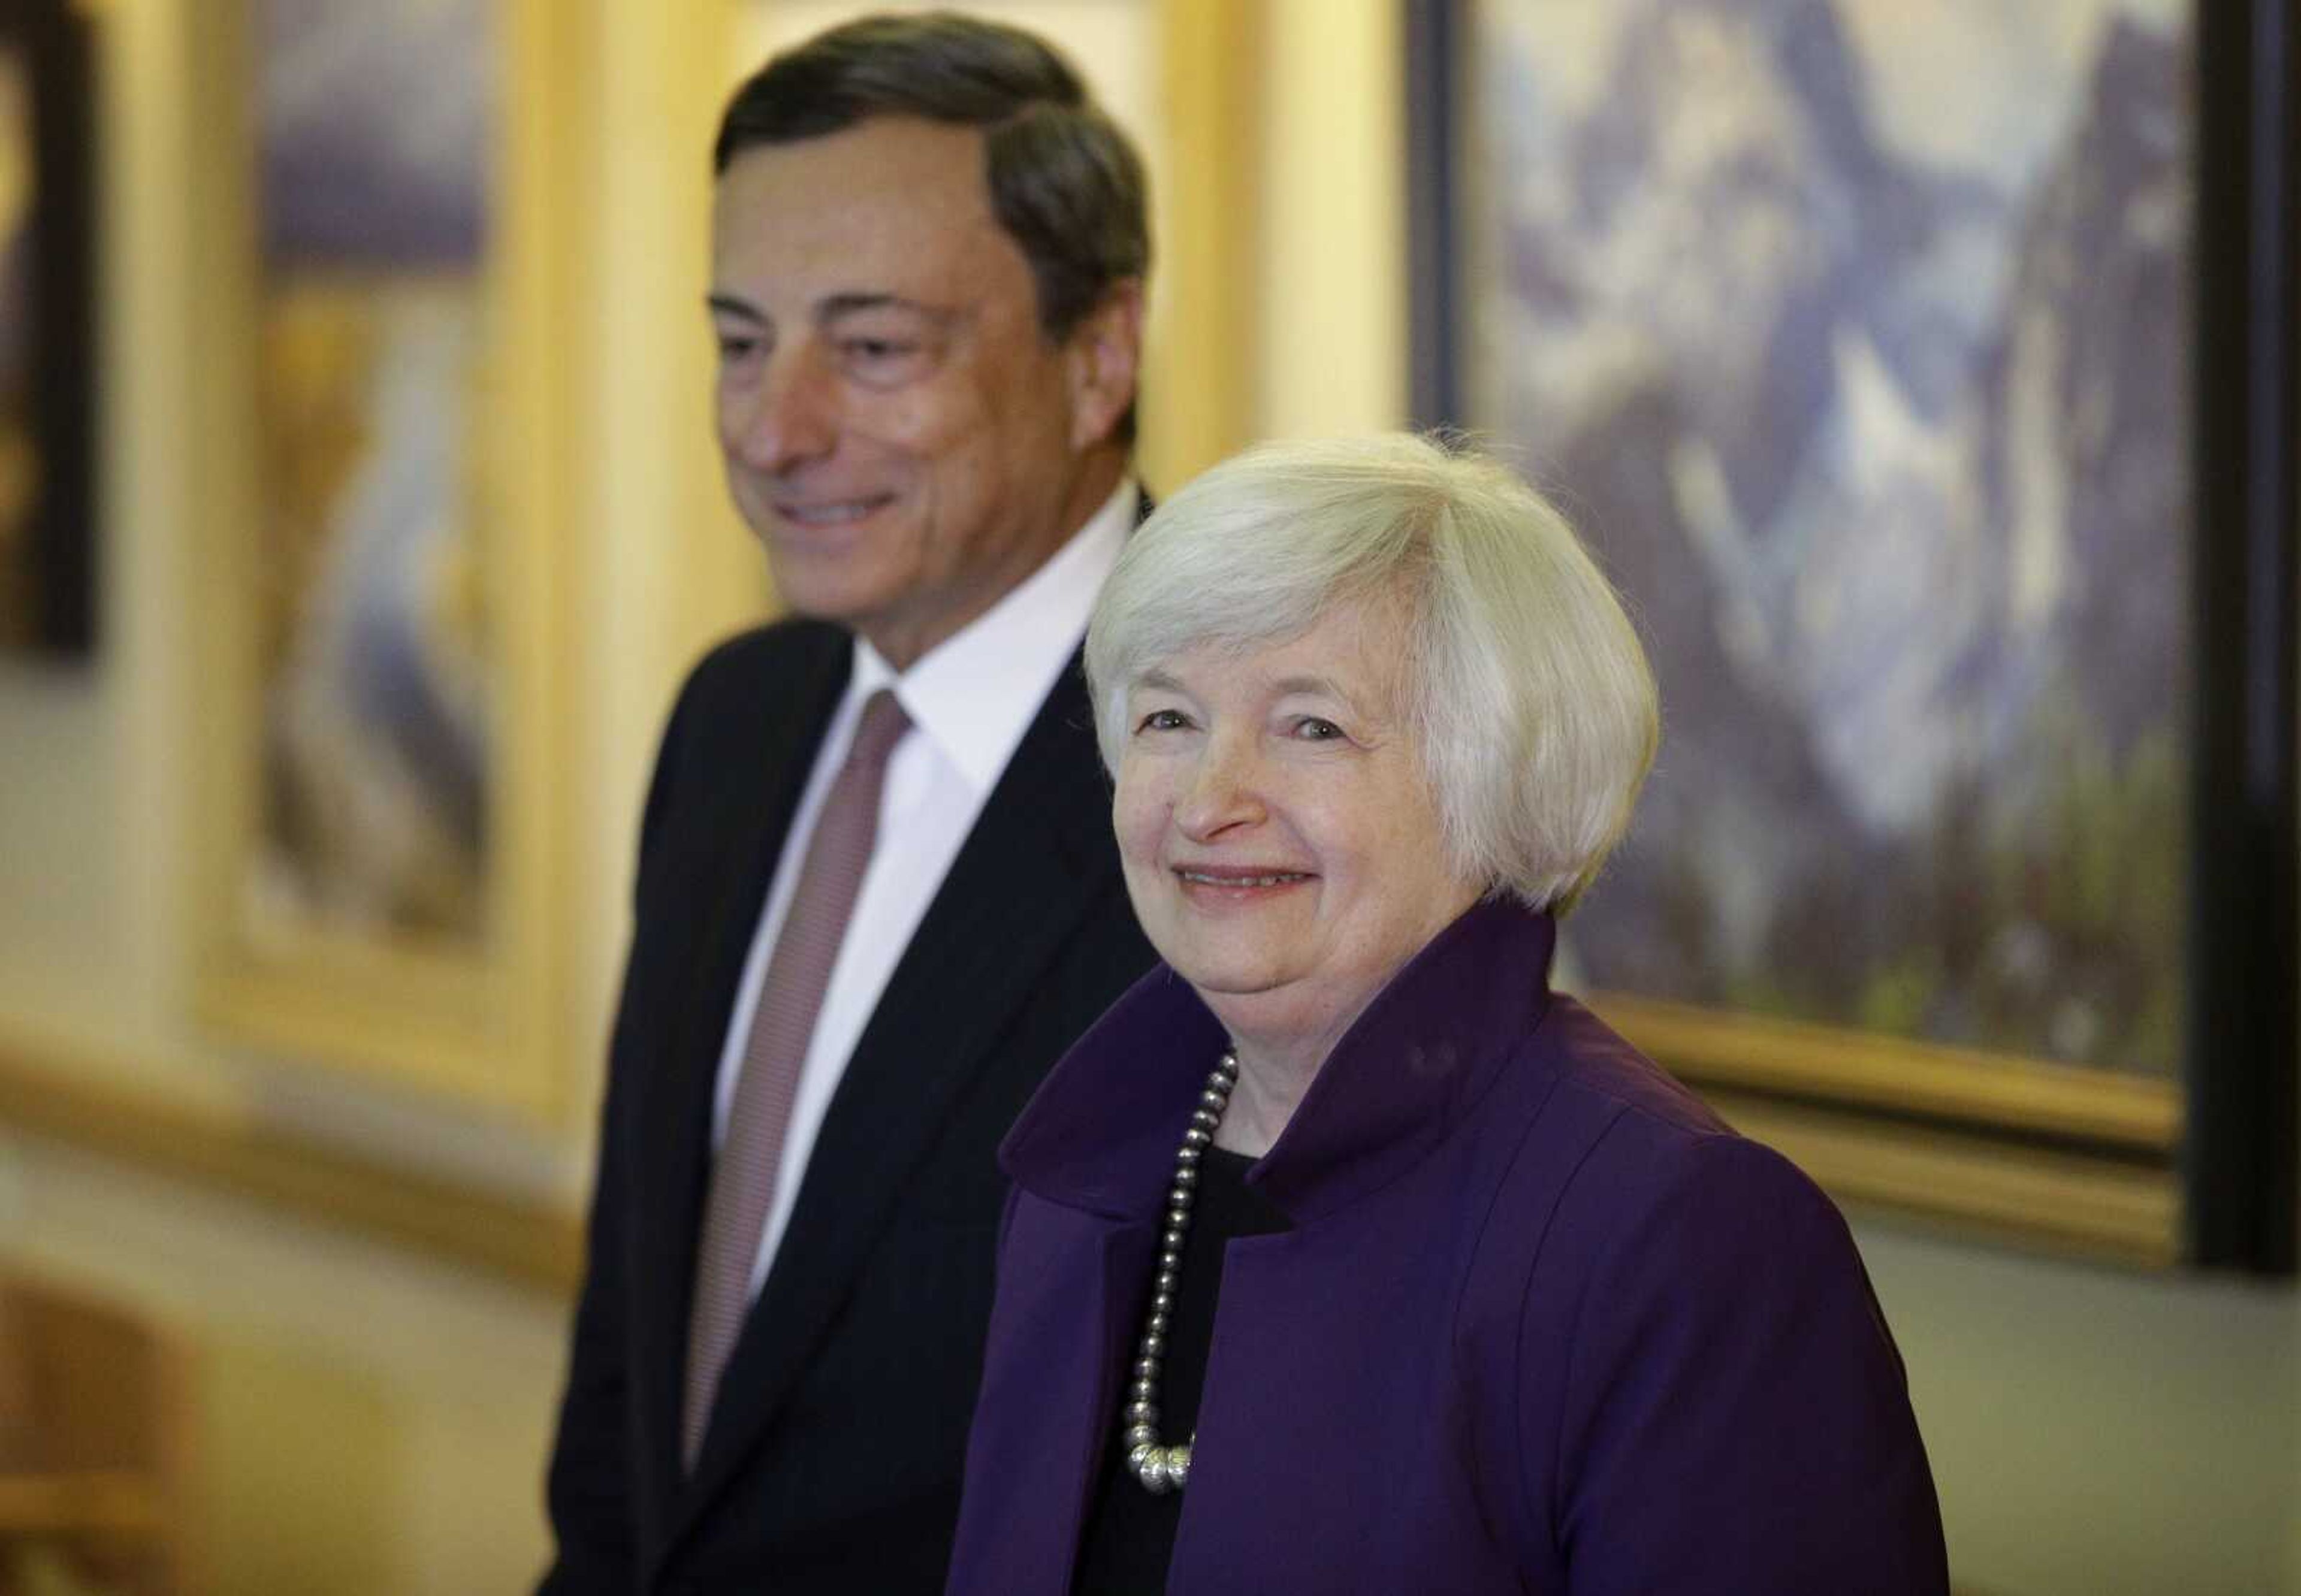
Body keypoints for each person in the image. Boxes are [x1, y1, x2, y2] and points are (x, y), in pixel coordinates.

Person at [944, 434, 1950, 1595]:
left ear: (1500, 781)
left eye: (1310, 726)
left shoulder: (1681, 1237)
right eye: (1169, 720)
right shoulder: (1088, 1172)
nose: (1209, 801)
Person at [538, 16, 1158, 1594]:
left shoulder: (1239, 795)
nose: (772, 429)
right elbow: (635, 1366)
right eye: (742, 342)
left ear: (1098, 358)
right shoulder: (733, 727)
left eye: (872, 348)